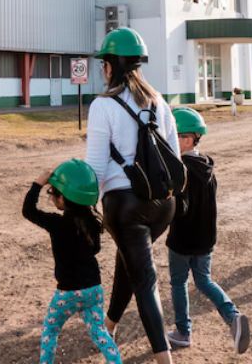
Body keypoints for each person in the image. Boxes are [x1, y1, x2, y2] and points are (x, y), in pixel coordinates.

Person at [85, 28, 179, 364]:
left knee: (144, 279)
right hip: (163, 206)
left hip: (125, 206)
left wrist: (84, 207)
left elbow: (96, 167)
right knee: (130, 260)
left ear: (110, 66)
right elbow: (174, 156)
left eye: (103, 64)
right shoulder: (159, 101)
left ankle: (164, 359)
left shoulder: (102, 105)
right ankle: (108, 325)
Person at [166, 107, 250, 353]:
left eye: (174, 135)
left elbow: (178, 208)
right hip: (205, 240)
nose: (170, 141)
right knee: (204, 281)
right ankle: (233, 317)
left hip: (182, 239)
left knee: (179, 283)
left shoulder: (180, 170)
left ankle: (183, 332)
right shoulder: (206, 167)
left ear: (188, 139)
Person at [23, 159, 123, 364]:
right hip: (93, 290)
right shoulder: (93, 222)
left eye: (52, 193)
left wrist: (37, 184)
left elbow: (28, 211)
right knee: (99, 332)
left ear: (62, 198)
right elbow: (95, 249)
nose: (52, 197)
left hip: (67, 293)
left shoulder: (57, 223)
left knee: (50, 331)